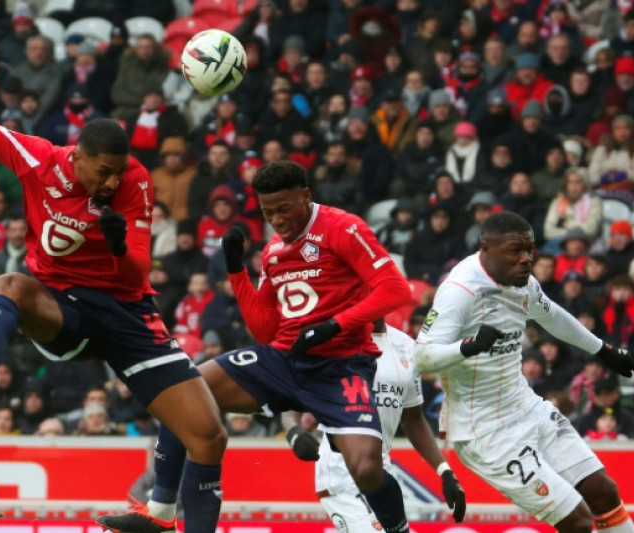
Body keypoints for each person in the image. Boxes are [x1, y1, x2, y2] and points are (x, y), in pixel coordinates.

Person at [0, 13, 228, 532]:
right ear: (78, 159)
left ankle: (162, 518)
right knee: (10, 286)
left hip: (128, 314)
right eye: (103, 171)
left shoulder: (135, 181)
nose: (112, 181)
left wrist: (119, 246)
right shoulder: (38, 158)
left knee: (208, 436)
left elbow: (139, 265)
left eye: (118, 171)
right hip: (66, 308)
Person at [101, 160, 413, 533]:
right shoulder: (273, 252)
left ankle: (398, 530)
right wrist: (236, 272)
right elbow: (265, 330)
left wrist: (334, 326)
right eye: (268, 213)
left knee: (366, 469)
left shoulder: (343, 227)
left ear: (306, 196)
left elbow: (396, 289)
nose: (277, 220)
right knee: (182, 390)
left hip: (341, 366)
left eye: (284, 209)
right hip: (284, 359)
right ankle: (161, 509)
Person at [415, 211, 634, 533]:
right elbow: (421, 357)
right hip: (485, 432)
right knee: (577, 521)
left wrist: (603, 350)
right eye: (516, 251)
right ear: (486, 248)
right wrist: (467, 347)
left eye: (530, 250)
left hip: (526, 407)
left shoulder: (523, 282)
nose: (527, 259)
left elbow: (553, 317)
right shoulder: (460, 291)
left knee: (603, 491)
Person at [302, 320, 467, 532]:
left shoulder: (407, 346)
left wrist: (445, 472)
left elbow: (413, 420)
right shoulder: (338, 341)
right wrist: (296, 428)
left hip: (380, 470)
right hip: (342, 469)